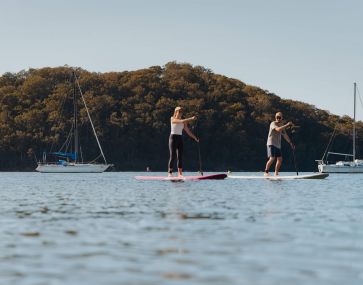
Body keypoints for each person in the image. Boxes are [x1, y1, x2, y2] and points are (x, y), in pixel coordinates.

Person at [168, 106, 199, 177]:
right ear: (176, 112)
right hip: (173, 138)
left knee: (180, 157)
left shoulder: (183, 122)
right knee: (172, 156)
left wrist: (195, 138)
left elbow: (188, 131)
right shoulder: (172, 119)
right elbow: (180, 121)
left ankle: (180, 174)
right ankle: (170, 173)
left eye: (181, 112)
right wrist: (191, 118)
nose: (180, 113)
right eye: (179, 111)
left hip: (180, 138)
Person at [264, 112, 294, 176]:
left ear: (282, 118)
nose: (278, 119)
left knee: (280, 159)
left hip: (277, 145)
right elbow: (277, 129)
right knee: (272, 158)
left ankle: (276, 173)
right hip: (271, 143)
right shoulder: (273, 123)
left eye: (279, 117)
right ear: (275, 117)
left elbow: (285, 135)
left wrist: (290, 143)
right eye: (277, 117)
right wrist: (287, 125)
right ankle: (266, 172)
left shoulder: (281, 125)